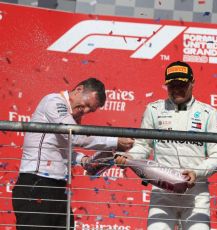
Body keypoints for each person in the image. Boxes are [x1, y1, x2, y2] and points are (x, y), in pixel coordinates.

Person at [116, 61, 217, 230]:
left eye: (181, 85)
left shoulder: (209, 114)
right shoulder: (153, 109)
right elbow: (143, 146)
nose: (176, 90)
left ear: (192, 83)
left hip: (195, 192)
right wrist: (130, 157)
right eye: (171, 85)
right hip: (162, 190)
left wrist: (196, 173)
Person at [12, 78, 134, 229]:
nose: (86, 111)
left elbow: (60, 147)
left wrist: (84, 160)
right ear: (78, 90)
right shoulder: (54, 101)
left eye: (91, 110)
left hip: (58, 189)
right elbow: (75, 136)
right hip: (37, 183)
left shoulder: (71, 116)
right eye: (87, 105)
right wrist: (115, 141)